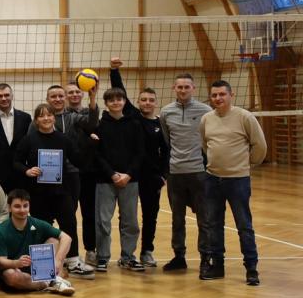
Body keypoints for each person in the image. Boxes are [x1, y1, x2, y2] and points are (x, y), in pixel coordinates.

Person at [14, 104, 95, 279]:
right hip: (38, 193)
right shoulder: (29, 140)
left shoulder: (63, 139)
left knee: (69, 224)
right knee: (42, 228)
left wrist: (89, 143)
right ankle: (44, 265)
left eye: (49, 115)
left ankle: (73, 261)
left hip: (61, 191)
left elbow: (79, 161)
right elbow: (16, 161)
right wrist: (27, 170)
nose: (46, 118)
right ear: (36, 120)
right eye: (41, 116)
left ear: (53, 118)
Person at [199, 80, 267, 285]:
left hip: (238, 180)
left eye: (222, 94)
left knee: (244, 225)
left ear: (231, 95)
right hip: (212, 179)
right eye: (214, 95)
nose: (218, 98)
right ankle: (217, 266)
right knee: (214, 224)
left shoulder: (245, 117)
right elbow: (205, 145)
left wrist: (246, 164)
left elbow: (259, 145)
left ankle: (251, 268)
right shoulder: (206, 119)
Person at [108, 58, 170, 267]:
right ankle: (127, 254)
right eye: (143, 99)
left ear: (155, 102)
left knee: (150, 216)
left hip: (152, 178)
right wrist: (114, 70)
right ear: (138, 101)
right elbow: (120, 91)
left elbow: (167, 152)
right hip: (132, 175)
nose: (147, 103)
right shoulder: (133, 116)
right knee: (128, 218)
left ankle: (147, 251)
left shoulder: (160, 124)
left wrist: (164, 175)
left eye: (151, 100)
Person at [158, 72, 212, 274]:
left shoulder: (205, 111)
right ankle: (179, 256)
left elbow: (209, 139)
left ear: (193, 88)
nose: (183, 90)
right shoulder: (166, 112)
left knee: (204, 219)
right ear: (174, 88)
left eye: (186, 87)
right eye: (179, 87)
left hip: (199, 173)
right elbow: (167, 141)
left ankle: (206, 258)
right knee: (177, 219)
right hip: (176, 174)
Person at [40, 84, 99, 266]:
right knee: (46, 217)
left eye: (60, 96)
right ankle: (48, 257)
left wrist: (92, 98)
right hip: (47, 176)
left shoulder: (73, 117)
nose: (57, 99)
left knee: (68, 217)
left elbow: (92, 123)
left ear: (64, 98)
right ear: (47, 99)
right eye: (53, 96)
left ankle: (70, 256)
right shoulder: (41, 119)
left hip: (71, 174)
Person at [93, 87, 145, 272]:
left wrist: (128, 174)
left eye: (119, 99)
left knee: (130, 221)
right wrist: (112, 174)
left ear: (124, 101)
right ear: (106, 103)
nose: (116, 102)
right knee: (103, 221)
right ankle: (102, 257)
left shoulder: (135, 124)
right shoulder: (99, 125)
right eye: (111, 100)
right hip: (105, 180)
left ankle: (128, 257)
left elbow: (140, 153)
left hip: (130, 180)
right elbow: (97, 155)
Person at [0, 189, 75, 295]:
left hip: (37, 270)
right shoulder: (1, 230)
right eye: (17, 206)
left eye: (25, 206)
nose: (22, 210)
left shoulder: (37, 223)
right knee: (11, 275)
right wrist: (16, 263)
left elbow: (67, 238)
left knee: (54, 240)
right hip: (16, 271)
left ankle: (53, 279)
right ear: (9, 208)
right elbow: (1, 261)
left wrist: (58, 261)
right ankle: (49, 282)